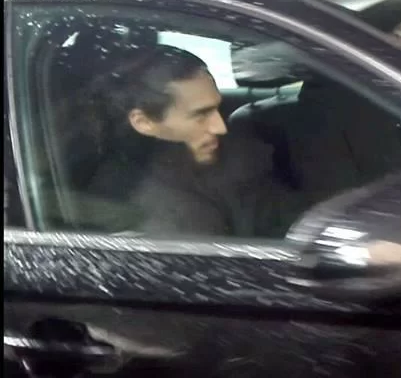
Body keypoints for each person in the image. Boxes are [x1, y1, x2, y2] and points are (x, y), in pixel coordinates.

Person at [88, 45, 303, 238]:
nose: (220, 127)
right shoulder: (140, 206)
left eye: (217, 108)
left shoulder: (229, 157)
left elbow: (285, 215)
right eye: (201, 115)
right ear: (143, 122)